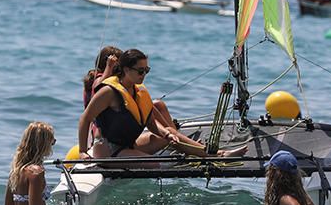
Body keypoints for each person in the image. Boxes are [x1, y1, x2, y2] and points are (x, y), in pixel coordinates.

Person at [77, 48, 246, 161]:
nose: (144, 75)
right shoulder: (108, 92)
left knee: (171, 133)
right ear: (126, 70)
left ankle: (215, 153)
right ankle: (215, 155)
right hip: (109, 150)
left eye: (147, 71)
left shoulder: (138, 91)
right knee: (156, 164)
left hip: (129, 145)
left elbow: (151, 124)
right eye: (140, 71)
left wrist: (166, 134)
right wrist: (83, 151)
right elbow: (84, 120)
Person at [4, 121, 70, 205]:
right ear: (43, 144)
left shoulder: (16, 171)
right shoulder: (36, 172)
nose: (53, 145)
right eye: (52, 141)